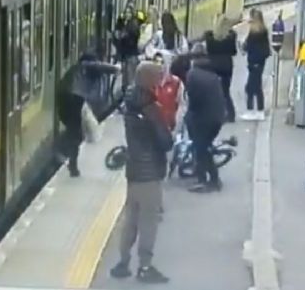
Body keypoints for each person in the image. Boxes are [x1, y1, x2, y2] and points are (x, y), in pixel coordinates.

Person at [110, 61, 173, 284]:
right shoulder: (150, 109)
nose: (160, 81)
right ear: (149, 80)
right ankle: (145, 267)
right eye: (157, 77)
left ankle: (123, 263)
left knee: (131, 220)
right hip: (150, 172)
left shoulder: (130, 101)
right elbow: (165, 142)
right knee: (149, 221)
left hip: (134, 171)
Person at [57, 51, 121, 177]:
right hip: (75, 98)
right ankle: (70, 162)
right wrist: (115, 68)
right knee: (75, 133)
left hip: (62, 97)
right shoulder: (86, 66)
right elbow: (96, 65)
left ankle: (66, 155)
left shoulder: (74, 69)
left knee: (72, 130)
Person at [185, 54, 226, 193]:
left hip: (203, 118)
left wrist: (190, 117)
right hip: (217, 117)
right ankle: (209, 178)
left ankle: (208, 180)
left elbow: (193, 99)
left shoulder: (192, 75)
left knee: (201, 149)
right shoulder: (212, 76)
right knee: (205, 147)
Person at [204, 15, 237, 122]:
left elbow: (208, 51)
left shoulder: (210, 38)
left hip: (214, 67)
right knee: (226, 92)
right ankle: (231, 114)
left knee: (216, 92)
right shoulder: (230, 38)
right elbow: (234, 52)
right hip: (227, 67)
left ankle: (218, 114)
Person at [241, 9, 270, 121]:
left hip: (254, 63)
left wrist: (243, 46)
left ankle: (252, 111)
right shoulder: (263, 31)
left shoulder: (254, 33)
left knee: (250, 88)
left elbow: (248, 47)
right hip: (259, 63)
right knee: (256, 87)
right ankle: (259, 111)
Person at [112, 4, 142, 91]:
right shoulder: (124, 23)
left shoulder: (133, 24)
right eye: (126, 12)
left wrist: (121, 36)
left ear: (132, 13)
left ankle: (129, 97)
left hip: (131, 55)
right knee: (125, 78)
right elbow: (117, 33)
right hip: (125, 55)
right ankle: (125, 95)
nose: (127, 14)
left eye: (129, 12)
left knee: (130, 78)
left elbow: (130, 38)